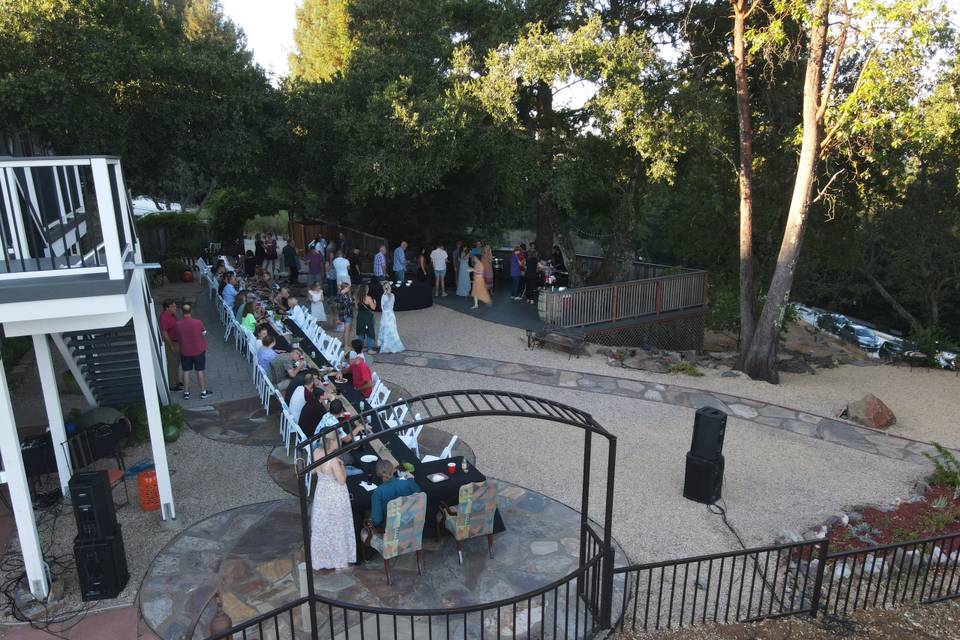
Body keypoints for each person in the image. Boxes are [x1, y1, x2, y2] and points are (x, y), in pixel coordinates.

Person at [310, 431, 356, 570]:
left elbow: (312, 471)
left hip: (322, 492)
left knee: (323, 526)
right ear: (331, 442)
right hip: (335, 494)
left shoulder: (316, 452)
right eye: (337, 440)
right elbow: (342, 480)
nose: (339, 441)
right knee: (337, 526)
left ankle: (322, 559)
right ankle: (339, 559)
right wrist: (341, 466)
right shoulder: (333, 460)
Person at [367, 460, 421, 529]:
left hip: (391, 529)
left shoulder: (378, 492)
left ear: (378, 474)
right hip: (409, 523)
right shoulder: (407, 483)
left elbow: (377, 520)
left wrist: (371, 521)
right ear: (393, 470)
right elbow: (419, 492)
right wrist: (411, 479)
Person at [176, 303, 211, 400]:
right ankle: (203, 392)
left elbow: (177, 335)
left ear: (181, 312)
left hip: (185, 350)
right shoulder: (198, 322)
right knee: (200, 370)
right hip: (198, 349)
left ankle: (186, 393)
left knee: (186, 371)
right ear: (191, 311)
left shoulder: (178, 324)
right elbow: (204, 332)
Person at [159, 299, 182, 392]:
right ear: (166, 308)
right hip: (171, 343)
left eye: (175, 306)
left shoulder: (172, 314)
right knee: (171, 363)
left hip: (177, 341)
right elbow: (164, 333)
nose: (175, 308)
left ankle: (177, 380)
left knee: (177, 362)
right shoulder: (163, 317)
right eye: (173, 306)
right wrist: (171, 345)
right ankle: (172, 385)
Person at [377, 283, 405, 353]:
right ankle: (394, 344)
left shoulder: (383, 296)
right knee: (393, 329)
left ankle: (385, 345)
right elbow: (392, 306)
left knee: (385, 329)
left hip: (385, 315)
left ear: (384, 289)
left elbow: (382, 307)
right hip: (391, 314)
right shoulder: (393, 295)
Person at [355, 285, 377, 353]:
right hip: (368, 318)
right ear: (365, 290)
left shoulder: (357, 298)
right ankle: (369, 349)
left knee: (361, 333)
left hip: (360, 317)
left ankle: (360, 349)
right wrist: (375, 303)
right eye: (367, 289)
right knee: (369, 333)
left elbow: (356, 307)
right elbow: (373, 308)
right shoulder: (369, 298)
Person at [335, 282, 355, 347]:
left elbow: (352, 303)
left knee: (347, 330)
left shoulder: (349, 295)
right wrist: (341, 292)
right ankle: (346, 344)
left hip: (349, 314)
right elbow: (337, 300)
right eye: (347, 287)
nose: (349, 289)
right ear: (344, 288)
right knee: (346, 330)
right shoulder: (341, 295)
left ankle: (344, 343)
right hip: (344, 315)